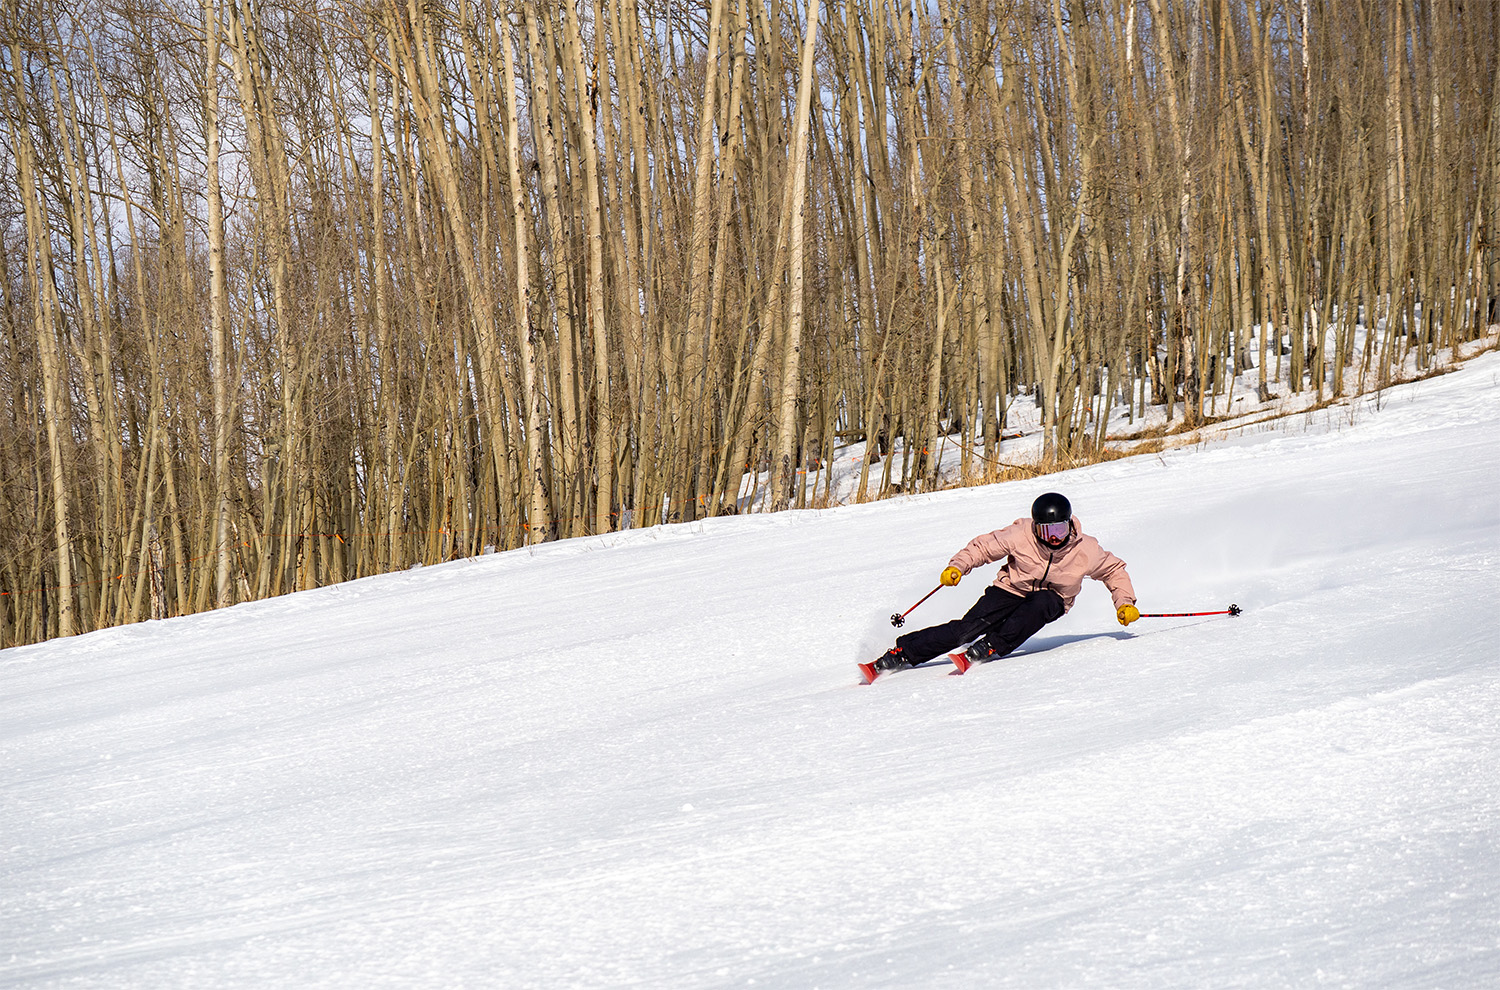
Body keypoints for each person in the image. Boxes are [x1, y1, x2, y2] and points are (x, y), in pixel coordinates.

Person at [872, 492, 1141, 671]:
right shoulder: (1020, 534)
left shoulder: (1086, 549)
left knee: (1042, 603)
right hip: (1009, 589)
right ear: (1036, 526)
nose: (1055, 537)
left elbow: (1114, 571)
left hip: (1052, 599)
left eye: (1060, 529)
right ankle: (902, 653)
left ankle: (992, 646)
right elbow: (984, 547)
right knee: (966, 630)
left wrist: (1124, 603)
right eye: (1048, 530)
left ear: (1069, 525)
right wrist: (957, 566)